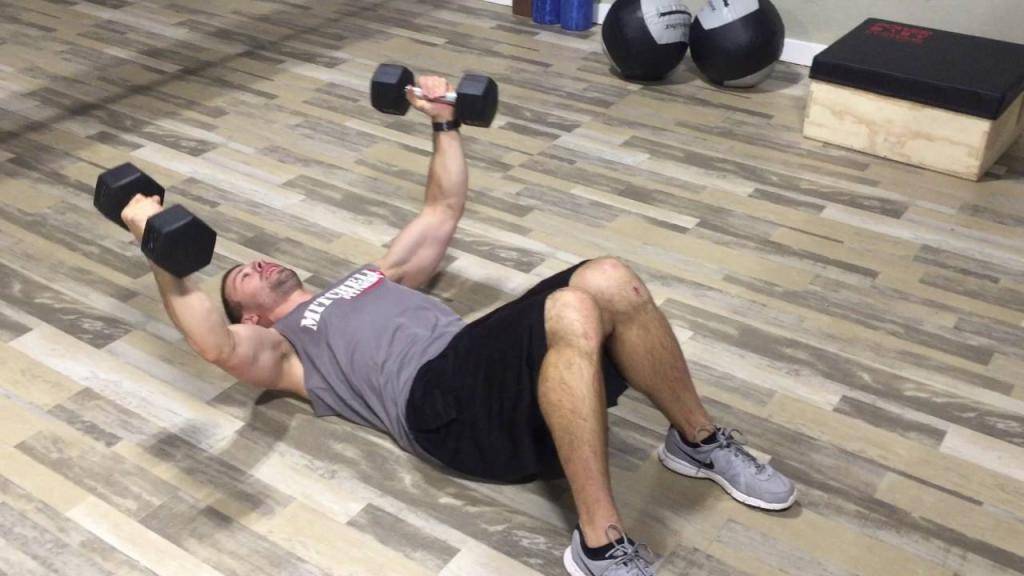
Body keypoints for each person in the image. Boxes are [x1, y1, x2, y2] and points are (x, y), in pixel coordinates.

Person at [120, 74, 795, 576]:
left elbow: (441, 210)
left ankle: (698, 442)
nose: (256, 264)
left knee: (610, 279)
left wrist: (445, 124)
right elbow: (214, 344)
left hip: (492, 377)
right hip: (440, 412)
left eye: (257, 258)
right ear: (252, 315)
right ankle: (600, 545)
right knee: (571, 305)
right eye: (241, 276)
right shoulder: (286, 349)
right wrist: (155, 241)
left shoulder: (374, 275)